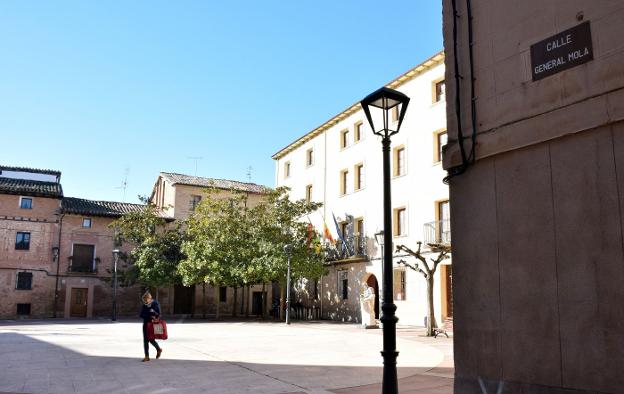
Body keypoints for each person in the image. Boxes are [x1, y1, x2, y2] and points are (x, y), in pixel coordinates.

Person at [139, 291, 162, 362]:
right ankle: (146, 356)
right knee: (145, 340)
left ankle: (158, 349)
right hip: (146, 324)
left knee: (151, 339)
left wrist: (153, 312)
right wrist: (149, 314)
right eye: (144, 300)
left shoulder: (155, 303)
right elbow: (141, 315)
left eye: (146, 300)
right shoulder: (144, 305)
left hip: (152, 324)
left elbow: (158, 314)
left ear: (150, 298)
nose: (145, 301)